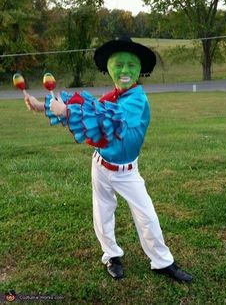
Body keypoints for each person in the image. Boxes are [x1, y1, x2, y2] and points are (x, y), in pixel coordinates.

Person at [25, 37, 193, 283]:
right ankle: (111, 256)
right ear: (109, 69)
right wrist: (42, 106)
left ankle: (162, 262)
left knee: (146, 214)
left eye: (130, 65)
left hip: (127, 172)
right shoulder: (111, 96)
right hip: (100, 166)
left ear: (139, 70)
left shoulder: (136, 100)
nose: (124, 71)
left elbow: (111, 117)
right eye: (118, 65)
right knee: (102, 212)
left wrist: (69, 112)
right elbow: (87, 105)